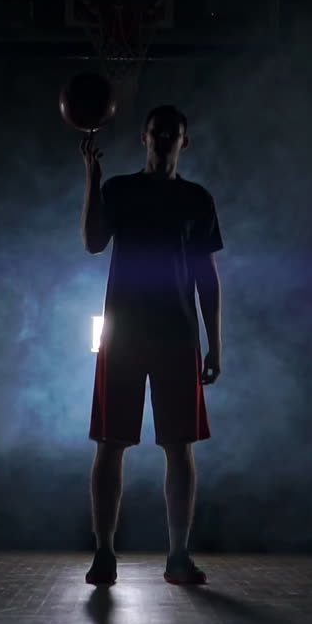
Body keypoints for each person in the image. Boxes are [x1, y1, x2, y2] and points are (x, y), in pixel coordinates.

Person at [78, 105, 224, 586]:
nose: (163, 139)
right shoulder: (120, 189)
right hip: (124, 332)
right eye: (157, 132)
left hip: (177, 335)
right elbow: (93, 242)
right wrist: (93, 179)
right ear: (143, 137)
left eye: (172, 133)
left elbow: (207, 277)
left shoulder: (197, 199)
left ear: (186, 141)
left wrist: (214, 344)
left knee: (179, 447)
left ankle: (178, 556)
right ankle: (103, 552)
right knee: (110, 443)